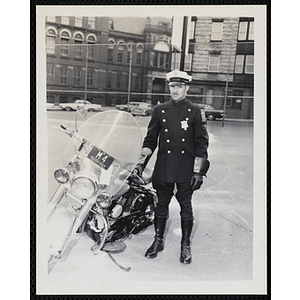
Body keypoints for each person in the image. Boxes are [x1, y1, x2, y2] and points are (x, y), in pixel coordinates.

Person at [134, 70, 210, 264]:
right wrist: (142, 159)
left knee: (186, 207)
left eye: (179, 86)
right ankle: (157, 241)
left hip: (185, 169)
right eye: (172, 86)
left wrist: (198, 172)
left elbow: (201, 143)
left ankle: (185, 245)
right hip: (164, 167)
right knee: (161, 206)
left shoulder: (195, 111)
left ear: (187, 88)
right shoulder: (160, 110)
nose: (175, 90)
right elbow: (151, 139)